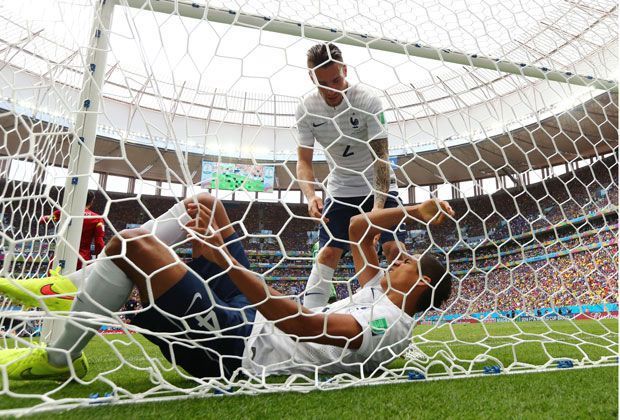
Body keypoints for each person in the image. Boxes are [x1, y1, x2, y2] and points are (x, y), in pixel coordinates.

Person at [0, 192, 454, 380]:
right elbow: (357, 226)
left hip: (237, 348)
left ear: (423, 281)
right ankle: (65, 286)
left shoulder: (389, 322)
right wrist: (420, 209)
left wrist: (223, 259)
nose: (400, 256)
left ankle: (57, 358)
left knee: (132, 244)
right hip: (250, 315)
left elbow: (295, 321)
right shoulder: (378, 290)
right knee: (204, 202)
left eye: (410, 259)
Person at [296, 42, 405, 309]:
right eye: (323, 83)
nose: (331, 89)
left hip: (378, 188)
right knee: (328, 252)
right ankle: (308, 327)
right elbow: (303, 160)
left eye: (336, 79)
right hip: (341, 189)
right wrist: (310, 196)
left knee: (393, 250)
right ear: (312, 78)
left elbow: (381, 159)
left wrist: (377, 211)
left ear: (345, 70)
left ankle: (403, 330)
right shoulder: (306, 109)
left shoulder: (368, 100)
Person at [41, 191, 105, 270]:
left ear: (79, 199)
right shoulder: (97, 219)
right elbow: (99, 243)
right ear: (91, 202)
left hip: (61, 255)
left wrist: (46, 217)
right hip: (81, 259)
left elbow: (43, 220)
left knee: (53, 281)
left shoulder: (65, 212)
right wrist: (99, 259)